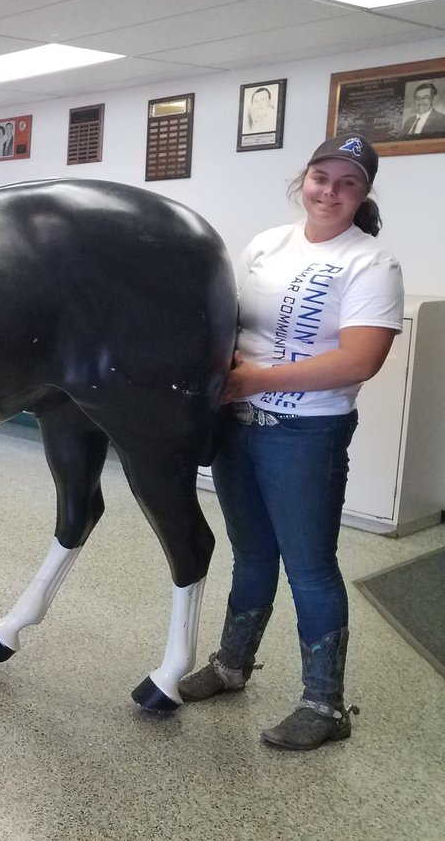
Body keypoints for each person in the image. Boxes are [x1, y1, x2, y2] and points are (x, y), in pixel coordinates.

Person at [178, 134, 404, 751]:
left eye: (348, 183)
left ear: (362, 195)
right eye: (321, 177)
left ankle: (324, 705)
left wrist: (254, 380)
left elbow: (359, 360)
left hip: (306, 434)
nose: (330, 191)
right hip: (238, 428)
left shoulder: (371, 262)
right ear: (302, 180)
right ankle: (231, 665)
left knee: (310, 567)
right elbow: (229, 323)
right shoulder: (264, 246)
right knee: (250, 556)